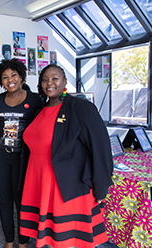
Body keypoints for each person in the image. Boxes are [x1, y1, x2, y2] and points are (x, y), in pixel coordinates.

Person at [20, 64, 113, 248]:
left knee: (69, 241)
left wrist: (101, 186)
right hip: (40, 183)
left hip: (66, 186)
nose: (49, 83)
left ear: (65, 82)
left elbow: (101, 148)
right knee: (52, 239)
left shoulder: (79, 108)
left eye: (54, 78)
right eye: (45, 79)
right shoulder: (40, 111)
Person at [0, 58, 44, 248]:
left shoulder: (35, 99)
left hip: (23, 157)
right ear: (0, 81)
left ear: (21, 76)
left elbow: (41, 128)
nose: (10, 80)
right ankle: (9, 240)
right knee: (4, 200)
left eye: (13, 75)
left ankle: (23, 241)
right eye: (5, 77)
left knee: (22, 201)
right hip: (0, 155)